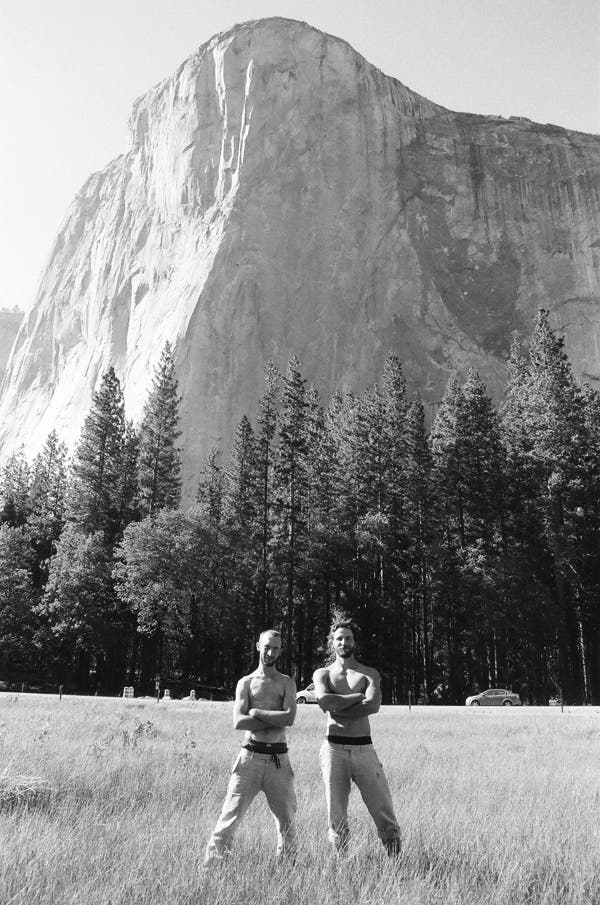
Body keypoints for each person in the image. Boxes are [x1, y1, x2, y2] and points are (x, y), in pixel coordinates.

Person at [204, 629, 297, 864]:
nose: (270, 652)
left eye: (275, 648)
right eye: (267, 647)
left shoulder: (286, 682)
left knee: (286, 822)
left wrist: (255, 712)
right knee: (228, 818)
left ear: (280, 651)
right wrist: (274, 717)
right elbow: (239, 722)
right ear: (258, 646)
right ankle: (212, 868)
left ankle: (287, 868)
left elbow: (289, 718)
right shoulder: (246, 683)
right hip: (249, 759)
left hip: (278, 761)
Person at [313, 618, 401, 857]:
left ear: (355, 642)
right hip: (333, 749)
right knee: (336, 812)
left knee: (383, 808)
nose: (344, 642)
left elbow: (372, 705)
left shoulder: (369, 673)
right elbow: (324, 701)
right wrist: (356, 697)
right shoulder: (322, 673)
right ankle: (342, 864)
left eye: (348, 638)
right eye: (339, 638)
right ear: (332, 643)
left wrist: (337, 706)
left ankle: (396, 862)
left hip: (364, 749)